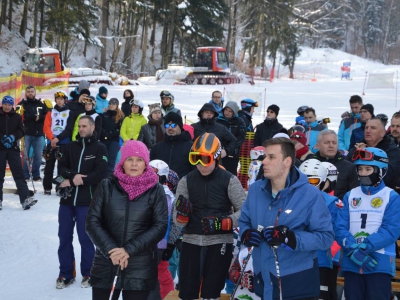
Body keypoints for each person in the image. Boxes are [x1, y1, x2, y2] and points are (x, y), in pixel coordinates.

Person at [238, 137, 334, 300]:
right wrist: (246, 233)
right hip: (264, 281)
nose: (264, 162)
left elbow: (325, 237)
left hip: (296, 284)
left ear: (287, 161)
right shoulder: (255, 190)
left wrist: (291, 239)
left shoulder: (310, 195)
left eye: (271, 157)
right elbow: (244, 221)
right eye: (264, 157)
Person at [85, 140, 168, 300]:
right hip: (106, 260)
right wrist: (112, 251)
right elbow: (92, 221)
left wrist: (127, 250)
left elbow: (159, 226)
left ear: (146, 164)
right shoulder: (106, 185)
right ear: (122, 163)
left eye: (139, 160)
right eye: (129, 159)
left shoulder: (156, 190)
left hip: (139, 265)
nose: (134, 164)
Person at [173, 132, 246, 300]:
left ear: (216, 156)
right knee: (187, 290)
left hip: (219, 241)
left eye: (205, 159)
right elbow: (178, 221)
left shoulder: (229, 180)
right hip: (191, 240)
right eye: (195, 158)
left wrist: (224, 223)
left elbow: (245, 211)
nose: (200, 164)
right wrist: (183, 216)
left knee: (211, 290)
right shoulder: (186, 180)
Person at [335, 147, 400, 300]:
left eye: (368, 169)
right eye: (360, 169)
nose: (363, 173)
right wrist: (352, 248)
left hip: (379, 263)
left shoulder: (391, 196)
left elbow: (391, 230)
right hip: (352, 261)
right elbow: (340, 226)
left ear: (381, 170)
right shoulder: (350, 195)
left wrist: (366, 247)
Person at [56, 116, 108, 289]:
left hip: (87, 201)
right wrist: (73, 176)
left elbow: (100, 173)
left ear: (92, 127)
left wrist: (77, 181)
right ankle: (65, 273)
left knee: (85, 238)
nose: (81, 129)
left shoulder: (100, 148)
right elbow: (61, 168)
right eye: (79, 126)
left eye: (85, 126)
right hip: (67, 201)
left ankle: (88, 272)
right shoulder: (70, 146)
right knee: (64, 237)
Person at [299, 159, 340, 300]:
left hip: (320, 261)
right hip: (294, 261)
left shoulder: (331, 202)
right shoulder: (289, 200)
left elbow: (333, 233)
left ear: (322, 182)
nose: (308, 185)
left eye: (314, 181)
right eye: (304, 180)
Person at [0, 96, 37, 210]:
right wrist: (2, 138)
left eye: (9, 104)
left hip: (13, 149)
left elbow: (22, 130)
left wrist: (12, 137)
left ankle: (25, 199)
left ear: (12, 105)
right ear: (2, 104)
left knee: (18, 174)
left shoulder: (16, 117)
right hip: (0, 149)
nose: (7, 106)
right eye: (5, 104)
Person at [148, 159, 175, 300]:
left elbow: (163, 222)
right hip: (145, 241)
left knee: (157, 274)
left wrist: (167, 244)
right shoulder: (146, 191)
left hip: (158, 243)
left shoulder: (165, 195)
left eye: (153, 174)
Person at [347, 118, 400, 190]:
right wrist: (357, 156)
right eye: (366, 128)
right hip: (357, 194)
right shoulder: (355, 150)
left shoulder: (392, 151)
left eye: (373, 128)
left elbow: (389, 176)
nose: (368, 131)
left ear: (382, 133)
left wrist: (366, 156)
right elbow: (346, 174)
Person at [43, 91, 75, 195]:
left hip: (64, 142)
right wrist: (52, 138)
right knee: (49, 166)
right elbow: (46, 127)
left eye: (61, 99)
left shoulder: (70, 112)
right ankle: (47, 187)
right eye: (58, 99)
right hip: (51, 142)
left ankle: (60, 186)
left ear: (65, 100)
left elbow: (69, 128)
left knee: (62, 167)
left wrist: (59, 138)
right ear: (55, 100)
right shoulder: (50, 112)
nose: (60, 101)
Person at [313, 130, 359, 200]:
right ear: (318, 146)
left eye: (334, 143)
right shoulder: (309, 164)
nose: (331, 146)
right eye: (326, 143)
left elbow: (354, 195)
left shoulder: (349, 167)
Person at [150, 112, 194, 179]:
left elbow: (194, 171)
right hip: (160, 188)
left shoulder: (191, 147)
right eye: (167, 125)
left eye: (173, 125)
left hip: (182, 187)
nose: (170, 128)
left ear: (180, 126)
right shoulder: (157, 148)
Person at [20, 85, 48, 181]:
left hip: (39, 134)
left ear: (35, 93)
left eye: (32, 91)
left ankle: (36, 175)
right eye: (28, 91)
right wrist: (33, 117)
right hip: (26, 133)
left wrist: (38, 117)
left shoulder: (40, 104)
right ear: (25, 93)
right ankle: (25, 175)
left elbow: (47, 116)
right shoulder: (22, 104)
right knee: (26, 156)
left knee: (37, 156)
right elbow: (22, 117)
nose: (30, 93)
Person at [216, 101, 246, 175]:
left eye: (230, 111)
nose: (227, 113)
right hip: (218, 152)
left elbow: (241, 137)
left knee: (230, 175)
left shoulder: (240, 122)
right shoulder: (217, 120)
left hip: (232, 154)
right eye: (226, 110)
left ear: (234, 112)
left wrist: (230, 148)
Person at [100, 98, 124, 175]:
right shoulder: (104, 115)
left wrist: (112, 133)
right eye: (110, 104)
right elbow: (100, 126)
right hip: (103, 139)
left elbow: (120, 129)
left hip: (114, 140)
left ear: (117, 105)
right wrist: (104, 133)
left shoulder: (120, 116)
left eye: (113, 104)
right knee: (102, 159)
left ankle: (108, 177)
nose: (111, 105)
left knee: (111, 160)